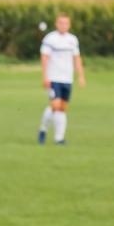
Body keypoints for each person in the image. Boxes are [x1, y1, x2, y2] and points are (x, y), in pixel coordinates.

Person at [37, 14, 86, 145]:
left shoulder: (72, 40)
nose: (63, 25)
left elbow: (76, 58)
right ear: (56, 24)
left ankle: (57, 137)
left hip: (67, 79)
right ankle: (48, 132)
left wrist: (80, 75)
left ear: (69, 25)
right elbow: (44, 58)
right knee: (55, 105)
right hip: (54, 78)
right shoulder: (50, 39)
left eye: (66, 23)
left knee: (62, 108)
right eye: (61, 23)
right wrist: (45, 76)